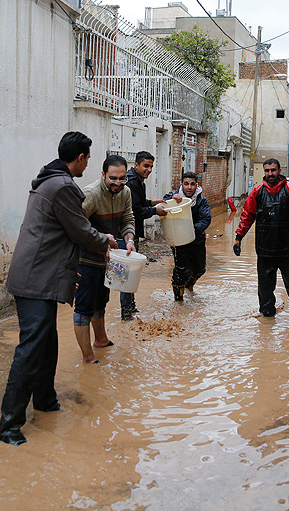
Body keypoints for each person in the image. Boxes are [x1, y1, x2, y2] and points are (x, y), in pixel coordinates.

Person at [0, 131, 116, 446]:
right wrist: (106, 240)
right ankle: (6, 425)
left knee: (47, 342)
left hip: (38, 275)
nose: (87, 165)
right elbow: (81, 232)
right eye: (87, 159)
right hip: (35, 278)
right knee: (32, 347)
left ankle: (45, 401)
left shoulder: (51, 180)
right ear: (81, 158)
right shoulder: (63, 186)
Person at [74, 155, 136, 363]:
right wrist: (101, 240)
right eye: (113, 178)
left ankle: (101, 340)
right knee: (83, 307)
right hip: (85, 259)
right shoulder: (90, 194)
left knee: (101, 301)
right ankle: (88, 357)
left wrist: (129, 240)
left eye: (122, 178)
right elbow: (76, 226)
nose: (118, 183)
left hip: (108, 259)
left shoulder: (125, 193)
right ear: (103, 175)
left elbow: (127, 219)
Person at [233, 159, 289, 318]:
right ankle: (267, 316)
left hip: (287, 249)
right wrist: (238, 237)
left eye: (273, 170)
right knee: (265, 286)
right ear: (264, 171)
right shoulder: (257, 192)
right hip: (265, 249)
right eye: (267, 170)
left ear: (279, 171)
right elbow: (247, 216)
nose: (270, 174)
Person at [123, 151, 167, 320]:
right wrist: (155, 210)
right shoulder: (132, 182)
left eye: (151, 167)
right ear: (136, 165)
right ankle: (126, 314)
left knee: (132, 272)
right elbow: (136, 211)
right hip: (126, 234)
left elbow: (140, 204)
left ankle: (131, 308)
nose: (149, 170)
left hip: (132, 232)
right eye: (145, 166)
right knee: (128, 273)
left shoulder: (138, 180)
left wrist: (154, 203)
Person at [164, 171, 212, 301]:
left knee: (200, 269)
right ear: (182, 185)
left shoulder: (201, 200)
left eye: (192, 184)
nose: (189, 187)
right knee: (180, 269)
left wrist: (190, 230)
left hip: (197, 240)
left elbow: (206, 219)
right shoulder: (174, 196)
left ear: (197, 185)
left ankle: (189, 285)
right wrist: (172, 199)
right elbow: (163, 204)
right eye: (186, 184)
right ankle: (178, 301)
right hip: (179, 240)